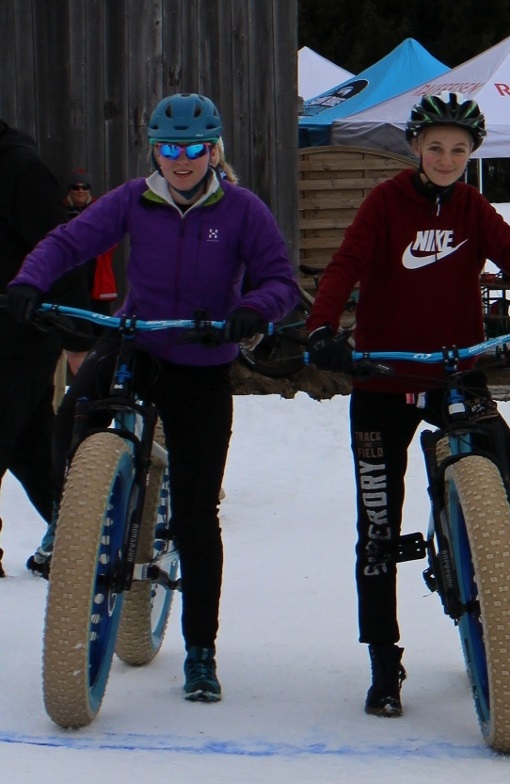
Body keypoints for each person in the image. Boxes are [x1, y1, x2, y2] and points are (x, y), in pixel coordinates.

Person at [6, 93, 299, 701]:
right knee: (69, 415)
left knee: (197, 514)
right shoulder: (134, 200)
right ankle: (79, 520)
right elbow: (67, 242)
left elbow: (280, 281)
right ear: (155, 151)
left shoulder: (241, 210)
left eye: (194, 148)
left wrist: (252, 310)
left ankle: (200, 650)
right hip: (140, 344)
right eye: (169, 148)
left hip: (203, 362)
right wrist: (28, 282)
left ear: (214, 150)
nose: (181, 160)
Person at [302, 92, 510, 719]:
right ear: (414, 149)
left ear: (472, 154)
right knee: (376, 529)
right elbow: (345, 266)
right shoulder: (384, 204)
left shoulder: (472, 208)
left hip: (455, 376)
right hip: (381, 380)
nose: (447, 158)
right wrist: (324, 329)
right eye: (436, 148)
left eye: (460, 150)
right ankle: (383, 660)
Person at [0, 119, 90, 579]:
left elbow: (65, 251)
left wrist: (76, 337)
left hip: (19, 337)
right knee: (32, 451)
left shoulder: (19, 170)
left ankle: (81, 542)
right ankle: (80, 540)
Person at [63, 169, 119, 314]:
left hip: (96, 274)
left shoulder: (99, 210)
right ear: (69, 190)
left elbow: (113, 238)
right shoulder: (60, 212)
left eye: (85, 187)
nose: (80, 191)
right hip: (70, 277)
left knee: (99, 321)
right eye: (76, 187)